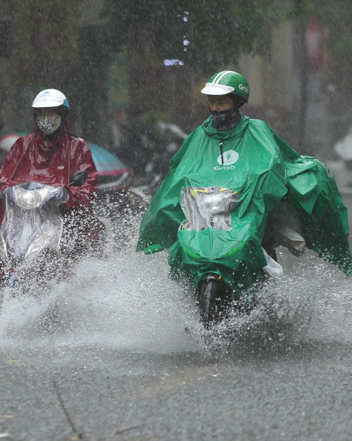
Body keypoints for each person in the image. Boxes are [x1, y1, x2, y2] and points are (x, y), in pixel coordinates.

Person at [136, 70, 352, 298]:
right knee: (181, 242)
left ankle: (266, 292)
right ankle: (188, 294)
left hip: (247, 207)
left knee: (263, 229)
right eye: (212, 101)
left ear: (237, 102)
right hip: (205, 208)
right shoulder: (198, 136)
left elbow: (276, 162)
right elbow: (179, 174)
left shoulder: (258, 131)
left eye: (222, 101)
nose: (216, 107)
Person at [0, 88, 102, 289]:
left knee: (75, 249)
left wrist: (71, 193)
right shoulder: (22, 145)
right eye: (41, 113)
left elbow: (88, 183)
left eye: (51, 113)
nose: (46, 118)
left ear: (62, 115)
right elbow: (5, 176)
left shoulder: (77, 147)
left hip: (62, 216)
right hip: (23, 217)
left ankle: (71, 290)